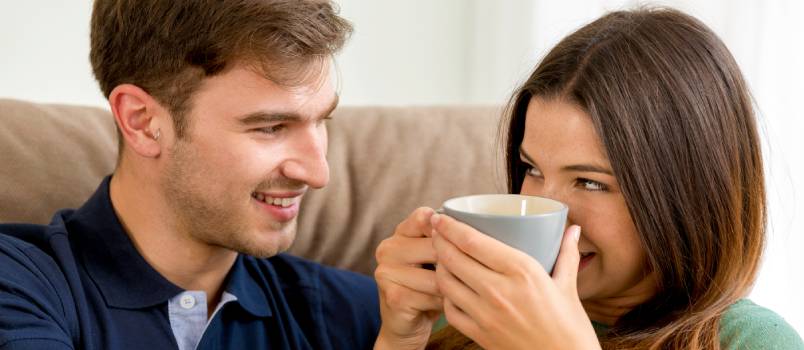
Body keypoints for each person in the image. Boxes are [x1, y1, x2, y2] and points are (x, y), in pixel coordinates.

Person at [374, 7, 804, 350]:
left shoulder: (751, 341)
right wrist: (400, 340)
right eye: (532, 169)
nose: (544, 208)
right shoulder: (470, 316)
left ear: (687, 197)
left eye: (590, 182)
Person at [0, 1, 380, 349]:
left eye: (323, 120)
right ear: (142, 122)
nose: (317, 173)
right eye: (270, 127)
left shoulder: (366, 314)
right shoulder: (18, 287)